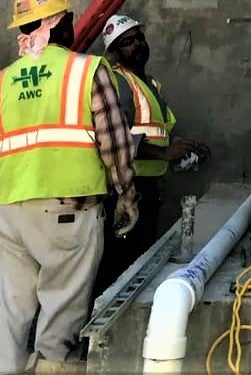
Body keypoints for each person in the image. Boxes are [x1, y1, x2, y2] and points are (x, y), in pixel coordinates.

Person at [0, 0, 138, 374]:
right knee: (61, 315)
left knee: (11, 313)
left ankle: (1, 368)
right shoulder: (87, 70)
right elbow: (113, 141)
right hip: (69, 212)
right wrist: (127, 196)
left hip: (10, 214)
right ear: (60, 25)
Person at [91, 14, 210, 293]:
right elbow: (113, 137)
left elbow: (154, 131)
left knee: (135, 267)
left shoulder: (150, 84)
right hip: (124, 193)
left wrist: (181, 150)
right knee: (116, 271)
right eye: (127, 42)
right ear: (115, 52)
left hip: (146, 190)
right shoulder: (117, 82)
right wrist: (165, 152)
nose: (138, 45)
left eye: (139, 37)